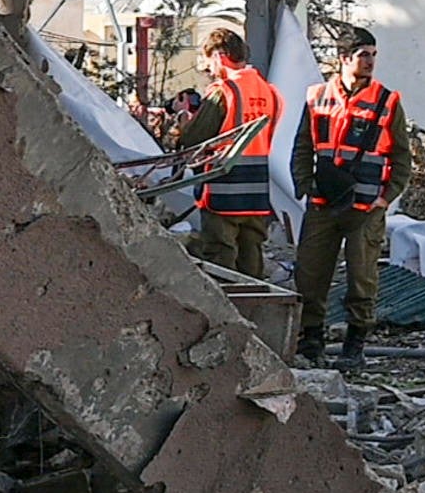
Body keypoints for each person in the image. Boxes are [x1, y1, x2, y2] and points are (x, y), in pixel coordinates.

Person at [291, 27, 412, 370]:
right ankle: (311, 340)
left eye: (373, 54)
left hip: (365, 208)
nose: (370, 61)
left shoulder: (387, 101)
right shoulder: (317, 97)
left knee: (362, 278)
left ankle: (354, 345)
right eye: (363, 55)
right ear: (344, 58)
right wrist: (304, 185)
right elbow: (303, 146)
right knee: (310, 275)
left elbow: (402, 157)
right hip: (323, 205)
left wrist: (386, 198)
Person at [175, 29, 283, 279]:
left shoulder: (224, 91)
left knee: (220, 256)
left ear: (219, 56)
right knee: (251, 257)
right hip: (256, 191)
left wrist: (182, 126)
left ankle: (226, 304)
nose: (209, 70)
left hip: (223, 190)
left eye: (209, 62)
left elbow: (194, 138)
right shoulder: (271, 93)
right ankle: (254, 302)